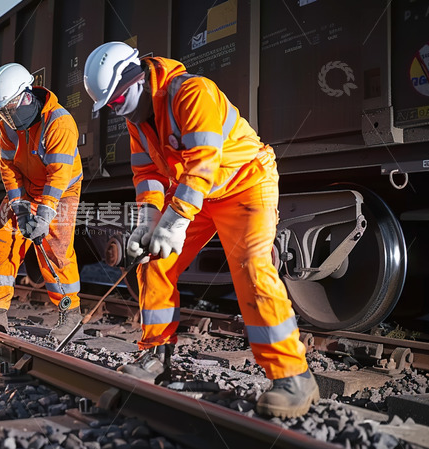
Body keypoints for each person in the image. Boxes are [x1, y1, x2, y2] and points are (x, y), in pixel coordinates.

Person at [83, 42, 319, 418]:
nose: (115, 108)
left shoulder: (191, 92)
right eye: (109, 104)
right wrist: (146, 223)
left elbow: (203, 164)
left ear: (137, 79)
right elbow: (147, 175)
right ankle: (155, 358)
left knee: (252, 270)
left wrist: (174, 221)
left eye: (118, 98)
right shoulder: (137, 121)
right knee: (154, 263)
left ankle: (293, 377)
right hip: (197, 196)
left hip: (245, 183)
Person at [0, 62, 83, 341]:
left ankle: (71, 314)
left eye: (10, 108)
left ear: (27, 96)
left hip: (61, 191)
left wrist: (43, 216)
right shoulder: (9, 125)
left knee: (56, 249)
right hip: (26, 189)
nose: (6, 115)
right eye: (2, 110)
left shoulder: (60, 123)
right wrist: (18, 205)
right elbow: (8, 166)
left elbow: (59, 175)